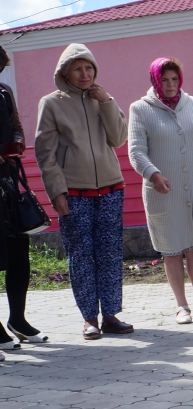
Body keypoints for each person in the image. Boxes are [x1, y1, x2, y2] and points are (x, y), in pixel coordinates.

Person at [34, 44, 131, 340]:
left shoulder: (100, 99)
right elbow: (45, 153)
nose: (84, 74)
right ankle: (89, 318)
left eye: (88, 68)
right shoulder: (51, 104)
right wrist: (56, 192)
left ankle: (111, 315)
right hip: (74, 194)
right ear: (64, 72)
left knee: (111, 254)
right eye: (77, 68)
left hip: (111, 189)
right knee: (81, 256)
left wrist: (107, 101)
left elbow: (118, 138)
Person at [128, 58, 193, 324]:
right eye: (164, 80)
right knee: (172, 250)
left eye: (175, 79)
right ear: (155, 80)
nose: (170, 85)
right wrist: (153, 174)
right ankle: (182, 306)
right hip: (162, 191)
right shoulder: (140, 109)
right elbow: (135, 151)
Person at [0, 46, 45, 351]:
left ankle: (18, 319)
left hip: (7, 182)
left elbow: (16, 125)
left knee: (19, 252)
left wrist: (17, 142)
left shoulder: (4, 91)